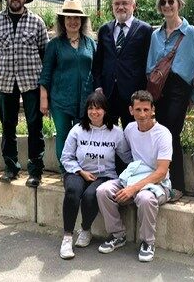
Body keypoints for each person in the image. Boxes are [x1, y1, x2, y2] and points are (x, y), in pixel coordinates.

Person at [96, 90, 173, 262]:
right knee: (103, 191)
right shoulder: (130, 129)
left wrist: (133, 188)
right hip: (133, 177)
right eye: (138, 110)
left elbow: (161, 172)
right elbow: (126, 154)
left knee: (145, 199)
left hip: (158, 183)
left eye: (146, 109)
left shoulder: (163, 134)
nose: (142, 114)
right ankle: (117, 235)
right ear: (131, 110)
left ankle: (147, 242)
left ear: (153, 109)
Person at [0, 0, 49, 187]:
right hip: (5, 81)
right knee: (7, 126)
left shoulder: (37, 22)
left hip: (31, 81)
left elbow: (44, 52)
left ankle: (35, 171)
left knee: (34, 127)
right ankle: (11, 167)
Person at [58, 91, 130, 260]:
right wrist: (80, 172)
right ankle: (67, 237)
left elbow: (127, 157)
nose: (94, 112)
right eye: (90, 108)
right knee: (72, 192)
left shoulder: (117, 133)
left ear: (105, 110)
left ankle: (85, 229)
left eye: (98, 108)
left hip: (105, 175)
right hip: (78, 171)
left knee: (91, 195)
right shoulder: (77, 130)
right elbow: (66, 157)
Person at [146, 0, 194, 198]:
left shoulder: (191, 33)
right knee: (159, 133)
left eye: (171, 1)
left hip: (179, 88)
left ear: (179, 4)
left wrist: (193, 95)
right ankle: (160, 178)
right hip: (158, 88)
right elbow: (150, 65)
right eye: (164, 2)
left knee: (171, 134)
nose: (167, 5)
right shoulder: (155, 35)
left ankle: (178, 184)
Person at [92, 0, 153, 172]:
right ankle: (112, 171)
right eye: (117, 4)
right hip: (108, 93)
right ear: (112, 6)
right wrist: (98, 87)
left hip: (132, 95)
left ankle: (133, 172)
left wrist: (143, 94)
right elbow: (98, 62)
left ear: (133, 5)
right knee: (109, 135)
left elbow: (147, 63)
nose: (121, 7)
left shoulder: (145, 30)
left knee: (132, 135)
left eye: (125, 3)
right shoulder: (104, 30)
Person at [39, 0, 96, 174]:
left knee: (82, 137)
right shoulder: (54, 45)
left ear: (82, 21)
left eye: (76, 18)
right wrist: (44, 99)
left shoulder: (90, 43)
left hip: (85, 100)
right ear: (62, 21)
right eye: (68, 18)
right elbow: (46, 73)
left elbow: (97, 70)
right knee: (63, 136)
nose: (73, 21)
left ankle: (79, 171)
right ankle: (65, 171)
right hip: (60, 100)